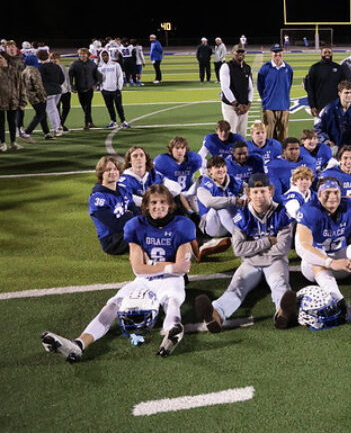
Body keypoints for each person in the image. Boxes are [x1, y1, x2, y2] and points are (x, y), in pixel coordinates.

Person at [42, 185, 194, 362]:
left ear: (170, 205)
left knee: (172, 301)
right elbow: (138, 269)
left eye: (162, 202)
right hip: (144, 279)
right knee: (113, 304)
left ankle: (172, 331)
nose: (158, 206)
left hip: (171, 279)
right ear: (146, 205)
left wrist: (153, 264)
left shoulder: (182, 224)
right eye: (153, 202)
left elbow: (182, 268)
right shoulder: (136, 225)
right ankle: (79, 344)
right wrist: (169, 266)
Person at [195, 174, 298, 332]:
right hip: (251, 262)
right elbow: (238, 249)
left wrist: (252, 248)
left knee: (279, 284)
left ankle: (282, 314)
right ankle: (215, 315)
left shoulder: (282, 214)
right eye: (255, 192)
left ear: (270, 191)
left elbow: (282, 248)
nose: (259, 196)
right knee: (237, 285)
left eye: (262, 191)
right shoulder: (242, 215)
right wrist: (267, 241)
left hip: (274, 261)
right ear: (248, 193)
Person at [294, 177, 351, 322]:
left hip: (341, 261)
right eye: (327, 193)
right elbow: (303, 247)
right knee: (316, 256)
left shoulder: (350, 206)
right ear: (319, 194)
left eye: (336, 192)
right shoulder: (309, 211)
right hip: (315, 267)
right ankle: (340, 304)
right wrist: (330, 262)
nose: (332, 197)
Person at [195, 155, 246, 259]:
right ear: (209, 170)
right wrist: (234, 200)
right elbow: (209, 202)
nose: (221, 169)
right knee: (221, 206)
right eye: (217, 167)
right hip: (211, 226)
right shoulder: (204, 185)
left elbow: (249, 189)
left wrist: (247, 197)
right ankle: (242, 239)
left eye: (223, 166)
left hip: (229, 223)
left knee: (252, 198)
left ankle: (254, 230)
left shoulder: (233, 180)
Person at [88, 156, 138, 255]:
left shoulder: (123, 190)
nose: (113, 172)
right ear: (101, 173)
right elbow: (115, 225)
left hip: (126, 231)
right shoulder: (98, 198)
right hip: (111, 241)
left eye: (115, 169)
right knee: (146, 235)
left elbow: (136, 211)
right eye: (108, 170)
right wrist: (129, 215)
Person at [257, 44, 294, 142]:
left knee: (283, 134)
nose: (277, 55)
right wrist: (265, 98)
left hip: (284, 105)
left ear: (282, 53)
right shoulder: (265, 68)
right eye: (275, 53)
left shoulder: (288, 68)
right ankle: (269, 151)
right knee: (268, 134)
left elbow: (288, 85)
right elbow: (260, 86)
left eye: (279, 52)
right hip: (269, 105)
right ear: (271, 53)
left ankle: (282, 151)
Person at [304, 46, 351, 117]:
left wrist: (344, 103)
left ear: (332, 54)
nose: (327, 54)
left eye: (329, 52)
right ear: (321, 54)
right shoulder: (314, 68)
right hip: (320, 105)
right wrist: (312, 106)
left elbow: (343, 88)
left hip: (336, 105)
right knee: (321, 124)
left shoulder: (338, 68)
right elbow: (310, 89)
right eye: (325, 52)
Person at [315, 80, 351, 147]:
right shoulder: (328, 110)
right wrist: (326, 140)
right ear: (339, 94)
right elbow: (317, 128)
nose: (349, 95)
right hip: (334, 147)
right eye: (346, 93)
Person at [219, 45, 253, 136]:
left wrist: (248, 105)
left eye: (242, 52)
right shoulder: (226, 66)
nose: (240, 54)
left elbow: (250, 88)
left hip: (243, 107)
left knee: (242, 135)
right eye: (238, 52)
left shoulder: (247, 67)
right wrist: (237, 105)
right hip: (231, 107)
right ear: (232, 53)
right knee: (231, 134)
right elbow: (225, 88)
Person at [95, 49, 130, 129]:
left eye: (106, 55)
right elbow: (98, 79)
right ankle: (113, 121)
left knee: (119, 106)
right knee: (109, 107)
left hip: (115, 90)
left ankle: (123, 121)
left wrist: (119, 87)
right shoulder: (99, 67)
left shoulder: (115, 65)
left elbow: (120, 76)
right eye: (103, 55)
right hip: (105, 90)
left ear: (109, 55)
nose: (105, 57)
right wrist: (101, 88)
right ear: (101, 56)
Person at [69, 48, 101, 130]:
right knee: (83, 105)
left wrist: (95, 84)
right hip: (79, 88)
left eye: (84, 54)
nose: (82, 55)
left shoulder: (92, 64)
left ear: (87, 54)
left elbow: (97, 76)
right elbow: (70, 76)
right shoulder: (74, 64)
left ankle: (86, 123)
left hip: (89, 88)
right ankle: (90, 122)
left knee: (88, 105)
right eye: (80, 54)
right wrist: (72, 86)